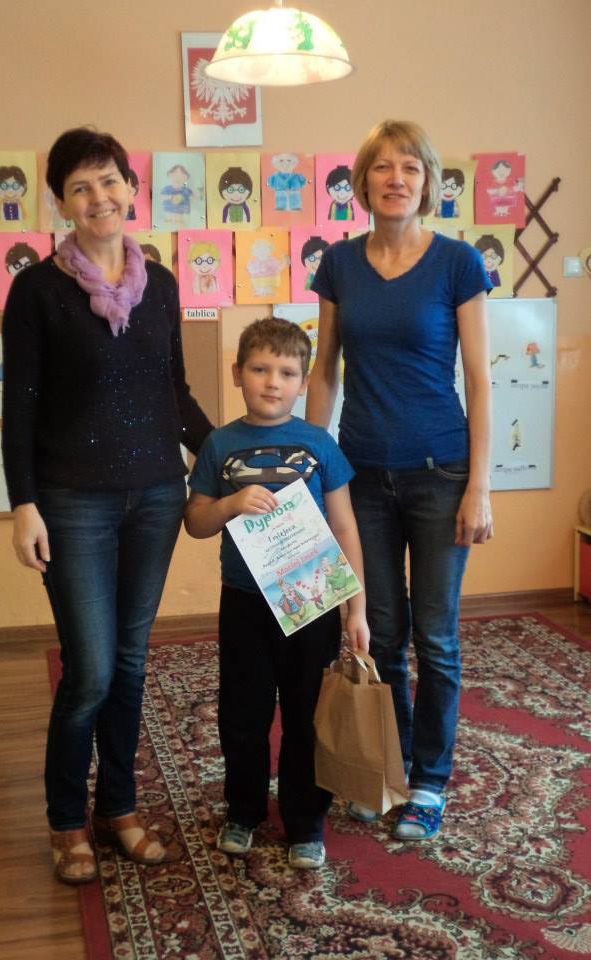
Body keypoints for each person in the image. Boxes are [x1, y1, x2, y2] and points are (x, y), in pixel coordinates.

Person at [2, 126, 212, 885]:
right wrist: (24, 504)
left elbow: (174, 392)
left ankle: (117, 808)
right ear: (62, 203)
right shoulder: (37, 292)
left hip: (156, 496)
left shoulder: (162, 285)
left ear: (131, 187)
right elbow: (20, 409)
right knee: (89, 670)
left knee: (129, 664)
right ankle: (66, 819)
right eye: (80, 187)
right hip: (73, 504)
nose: (99, 197)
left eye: (109, 181)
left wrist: (229, 456)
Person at [307, 120, 493, 841]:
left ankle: (429, 781)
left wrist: (480, 486)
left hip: (442, 471)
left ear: (429, 182)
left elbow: (478, 379)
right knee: (379, 634)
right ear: (361, 184)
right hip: (361, 475)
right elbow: (324, 370)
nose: (396, 179)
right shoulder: (338, 265)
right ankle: (388, 767)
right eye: (382, 167)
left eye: (410, 167)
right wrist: (311, 465)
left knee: (435, 637)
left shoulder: (458, 263)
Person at [185, 317, 369, 870]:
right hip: (244, 600)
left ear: (304, 381)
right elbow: (195, 521)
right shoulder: (219, 444)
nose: (273, 382)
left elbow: (344, 527)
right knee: (243, 712)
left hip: (311, 599)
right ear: (237, 373)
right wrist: (229, 505)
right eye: (260, 369)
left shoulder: (319, 444)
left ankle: (305, 821)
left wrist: (356, 608)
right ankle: (243, 811)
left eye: (287, 372)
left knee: (306, 712)